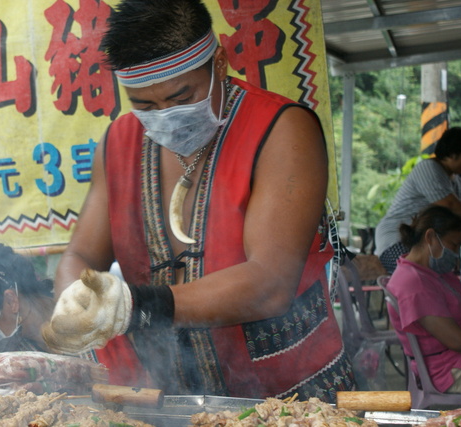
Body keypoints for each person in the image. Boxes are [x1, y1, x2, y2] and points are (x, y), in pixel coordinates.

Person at [42, 0, 355, 401]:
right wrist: (75, 301)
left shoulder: (283, 129)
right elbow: (80, 256)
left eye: (180, 96)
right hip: (172, 402)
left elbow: (270, 283)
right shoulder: (118, 144)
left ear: (219, 64)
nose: (165, 116)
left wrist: (135, 305)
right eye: (145, 105)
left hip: (293, 396)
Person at [386, 205, 461, 394]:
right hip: (449, 370)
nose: (456, 254)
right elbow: (456, 340)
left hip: (460, 358)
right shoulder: (413, 283)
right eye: (453, 245)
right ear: (431, 238)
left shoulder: (434, 273)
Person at [375, 126, 461, 274]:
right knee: (417, 276)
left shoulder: (456, 181)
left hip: (422, 243)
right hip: (396, 239)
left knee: (441, 279)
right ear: (453, 154)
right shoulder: (428, 168)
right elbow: (452, 207)